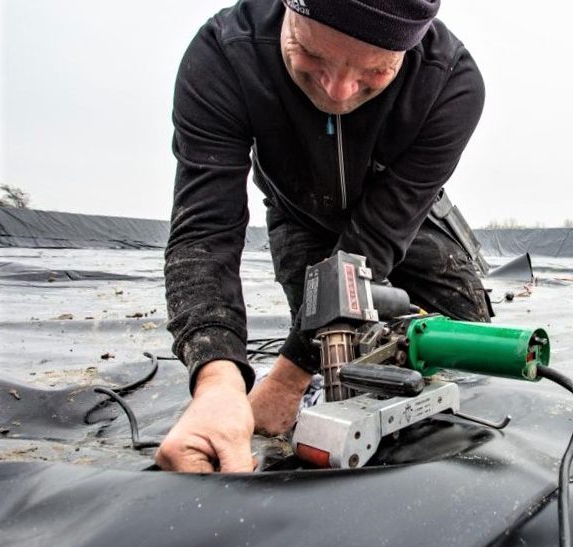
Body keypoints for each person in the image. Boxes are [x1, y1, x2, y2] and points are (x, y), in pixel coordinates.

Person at [157, 0, 491, 473]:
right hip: (300, 217)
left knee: (466, 346)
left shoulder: (451, 82)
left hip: (405, 221)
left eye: (375, 70)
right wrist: (218, 382)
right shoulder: (224, 53)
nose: (338, 91)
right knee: (331, 343)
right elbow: (205, 229)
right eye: (310, 55)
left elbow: (378, 234)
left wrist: (288, 379)